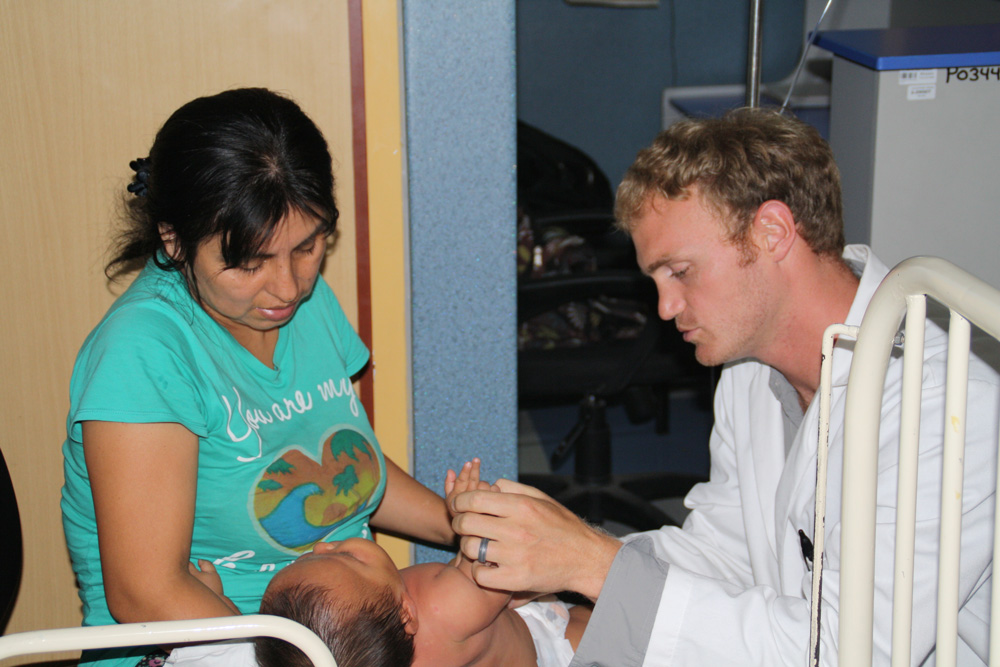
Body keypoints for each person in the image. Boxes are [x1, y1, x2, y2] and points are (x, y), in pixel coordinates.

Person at [450, 107, 1000, 665]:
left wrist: (590, 563)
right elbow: (725, 551)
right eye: (655, 281)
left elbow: (850, 653)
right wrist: (556, 564)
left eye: (681, 272)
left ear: (773, 232)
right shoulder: (750, 369)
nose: (664, 309)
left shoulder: (943, 407)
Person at [60, 88, 455, 667]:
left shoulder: (300, 301)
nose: (288, 286)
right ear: (173, 238)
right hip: (206, 646)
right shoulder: (143, 353)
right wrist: (307, 658)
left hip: (339, 635)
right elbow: (144, 591)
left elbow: (345, 470)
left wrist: (464, 527)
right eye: (248, 263)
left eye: (308, 246)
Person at [251, 459, 591, 667]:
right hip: (551, 651)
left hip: (485, 613)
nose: (324, 545)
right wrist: (472, 516)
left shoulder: (370, 656)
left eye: (309, 555)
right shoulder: (445, 607)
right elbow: (508, 562)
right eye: (346, 556)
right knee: (595, 621)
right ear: (406, 616)